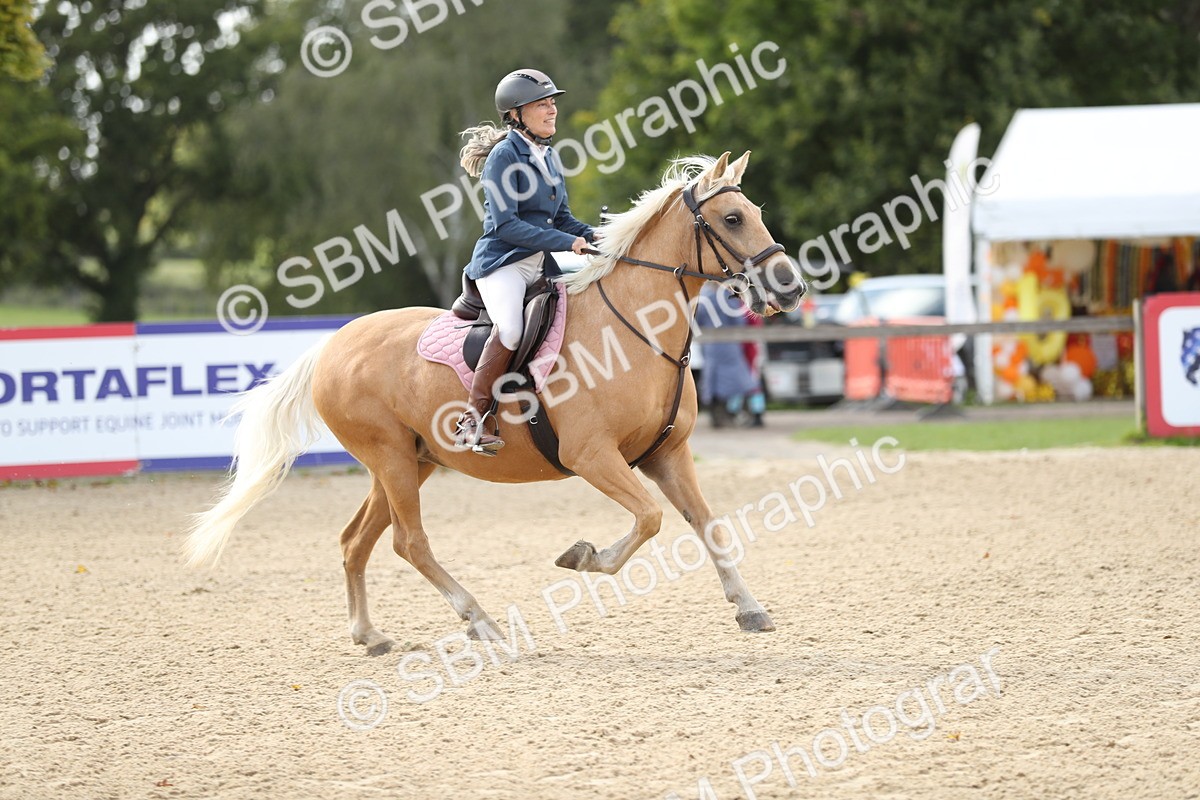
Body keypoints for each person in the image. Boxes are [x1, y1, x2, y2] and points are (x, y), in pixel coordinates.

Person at [454, 69, 596, 453]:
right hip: (503, 262)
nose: (552, 110)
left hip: (540, 262)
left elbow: (563, 218)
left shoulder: (549, 156)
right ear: (516, 114)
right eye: (542, 105)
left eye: (552, 103)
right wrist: (569, 242)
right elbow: (507, 226)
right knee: (512, 330)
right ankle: (473, 419)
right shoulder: (504, 156)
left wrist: (600, 236)